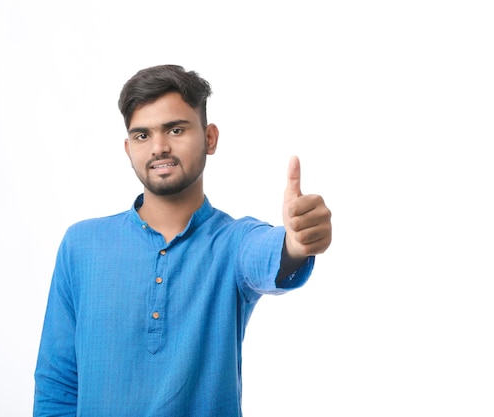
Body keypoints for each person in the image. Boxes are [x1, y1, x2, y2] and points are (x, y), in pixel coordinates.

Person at [33, 64, 332, 416]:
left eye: (175, 129)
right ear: (128, 148)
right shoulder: (81, 245)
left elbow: (269, 255)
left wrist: (295, 245)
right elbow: (58, 383)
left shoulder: (233, 243)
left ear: (210, 138)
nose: (159, 147)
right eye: (143, 136)